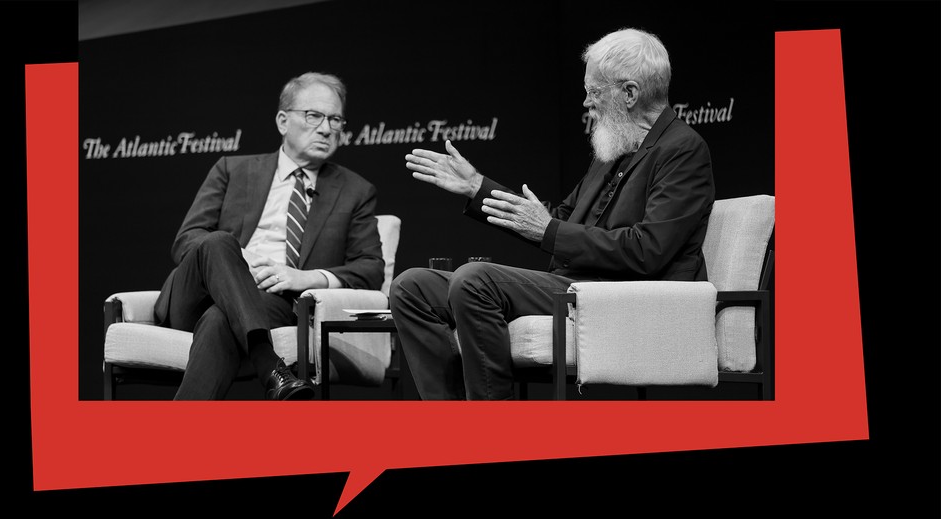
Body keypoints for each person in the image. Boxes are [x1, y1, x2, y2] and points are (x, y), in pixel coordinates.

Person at [391, 27, 715, 400]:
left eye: (594, 91)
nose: (585, 103)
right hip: (573, 286)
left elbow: (648, 251)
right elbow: (559, 217)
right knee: (411, 286)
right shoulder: (615, 149)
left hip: (622, 294)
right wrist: (478, 188)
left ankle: (490, 431)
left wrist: (547, 230)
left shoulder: (683, 150)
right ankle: (447, 425)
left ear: (630, 93)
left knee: (474, 280)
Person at [153, 72, 384, 400]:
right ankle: (267, 362)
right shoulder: (232, 169)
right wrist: (234, 258)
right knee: (219, 242)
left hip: (269, 300)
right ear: (282, 121)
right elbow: (187, 238)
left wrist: (303, 277)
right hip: (195, 293)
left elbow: (371, 268)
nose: (326, 128)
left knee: (221, 318)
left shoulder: (355, 191)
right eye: (313, 115)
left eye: (335, 119)